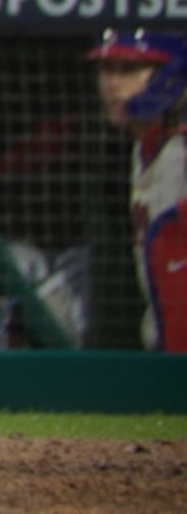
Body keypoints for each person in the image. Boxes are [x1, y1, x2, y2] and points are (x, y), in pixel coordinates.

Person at [83, 27, 186, 350]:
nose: (113, 84)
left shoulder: (181, 150)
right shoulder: (141, 148)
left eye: (129, 70)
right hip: (162, 335)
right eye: (106, 70)